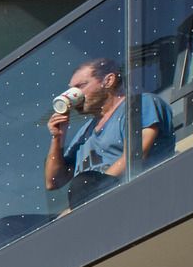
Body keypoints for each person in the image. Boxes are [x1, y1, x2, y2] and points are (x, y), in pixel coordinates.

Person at [45, 56, 173, 208]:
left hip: (131, 197)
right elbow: (53, 182)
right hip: (86, 202)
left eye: (80, 87)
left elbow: (135, 155)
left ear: (109, 81)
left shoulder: (138, 104)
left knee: (83, 183)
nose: (74, 96)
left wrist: (95, 191)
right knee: (14, 224)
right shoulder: (84, 132)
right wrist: (57, 137)